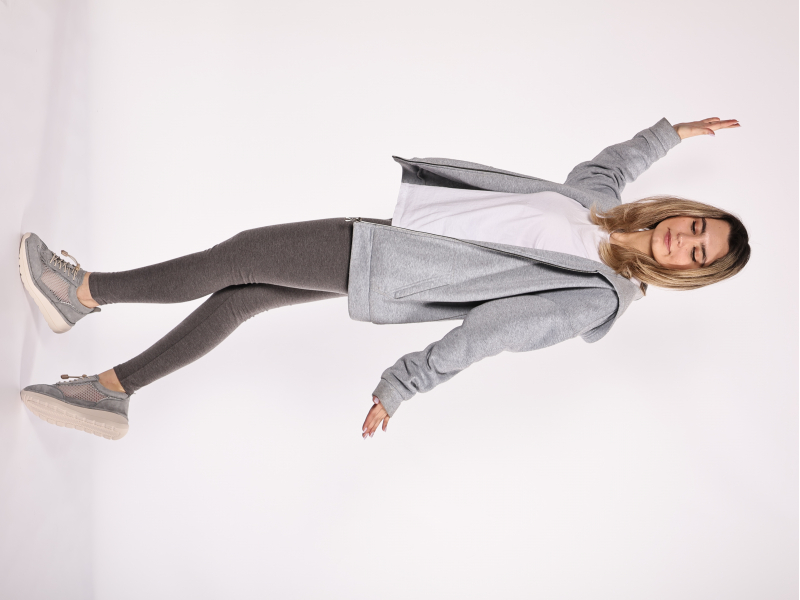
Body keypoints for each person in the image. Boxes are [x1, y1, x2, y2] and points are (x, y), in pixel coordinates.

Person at [18, 116, 748, 441]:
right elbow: (609, 166)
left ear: (688, 275)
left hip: (388, 262)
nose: (683, 241)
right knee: (240, 299)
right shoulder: (601, 211)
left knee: (234, 257)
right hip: (394, 241)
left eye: (697, 254)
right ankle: (111, 392)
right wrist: (671, 135)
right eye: (696, 227)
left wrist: (404, 385)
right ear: (684, 213)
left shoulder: (595, 296)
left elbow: (493, 331)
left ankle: (80, 293)